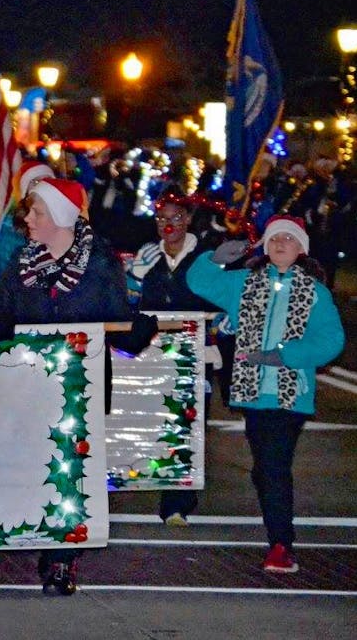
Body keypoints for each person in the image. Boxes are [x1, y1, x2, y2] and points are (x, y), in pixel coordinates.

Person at [0, 177, 156, 595]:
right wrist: (1, 322)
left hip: (82, 382)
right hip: (32, 381)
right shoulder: (22, 262)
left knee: (71, 469)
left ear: (60, 217)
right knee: (34, 464)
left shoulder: (99, 263)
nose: (28, 219)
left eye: (37, 212)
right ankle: (44, 534)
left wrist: (137, 330)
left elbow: (115, 318)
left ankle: (62, 559)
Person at [186, 215, 344, 573]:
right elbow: (199, 281)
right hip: (254, 394)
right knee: (267, 466)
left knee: (273, 466)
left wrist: (285, 355)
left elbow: (332, 340)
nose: (279, 244)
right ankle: (276, 519)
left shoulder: (315, 291)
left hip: (291, 398)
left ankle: (281, 544)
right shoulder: (246, 282)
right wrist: (215, 258)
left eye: (288, 239)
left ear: (301, 248)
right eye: (274, 238)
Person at [125, 188, 220, 527]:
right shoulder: (147, 255)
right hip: (156, 352)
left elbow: (220, 300)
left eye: (176, 217)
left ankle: (177, 503)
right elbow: (129, 302)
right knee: (163, 425)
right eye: (162, 218)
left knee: (190, 424)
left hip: (195, 352)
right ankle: (171, 491)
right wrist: (134, 277)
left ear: (189, 220)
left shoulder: (206, 257)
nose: (169, 225)